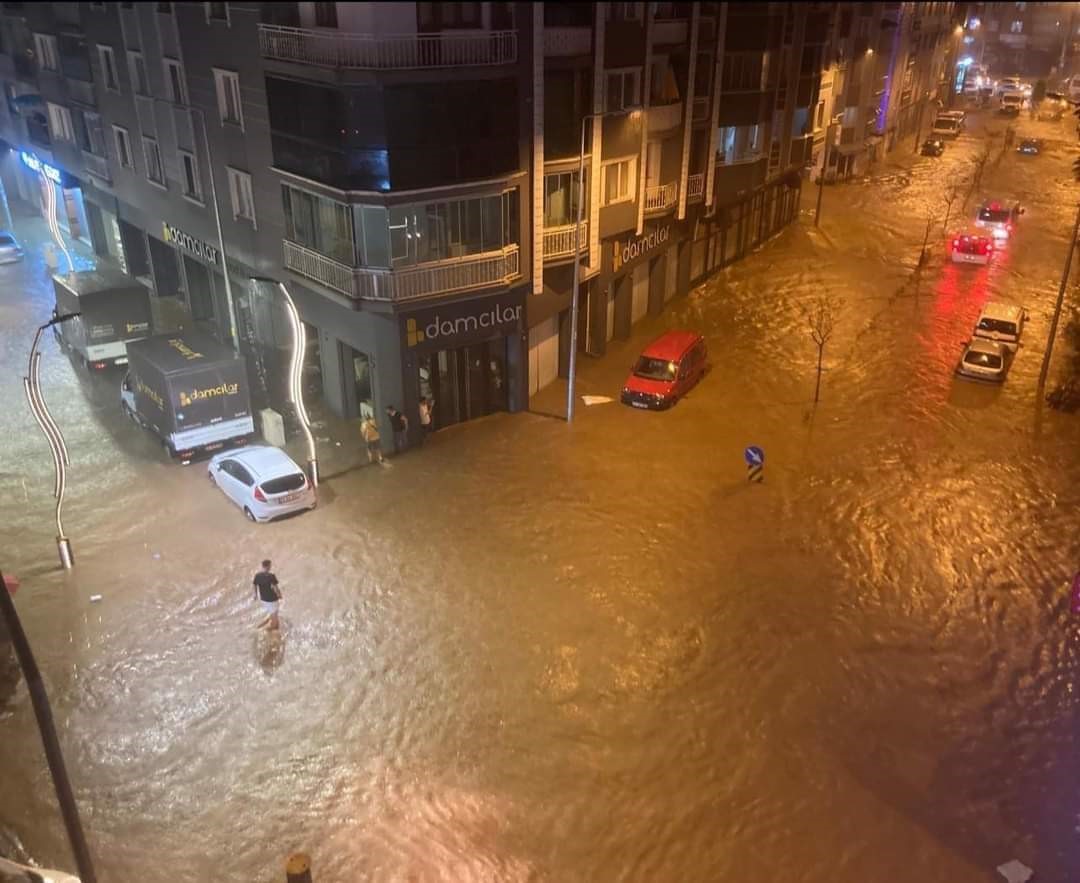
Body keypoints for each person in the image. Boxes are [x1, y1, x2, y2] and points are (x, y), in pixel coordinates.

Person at [252, 559, 281, 631]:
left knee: (273, 615)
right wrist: (279, 595)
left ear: (262, 566)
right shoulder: (271, 576)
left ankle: (259, 627)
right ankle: (261, 630)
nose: (270, 567)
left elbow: (254, 585)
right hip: (272, 600)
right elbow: (275, 588)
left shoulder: (257, 575)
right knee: (275, 624)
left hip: (264, 600)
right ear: (268, 566)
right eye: (270, 565)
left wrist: (255, 594)